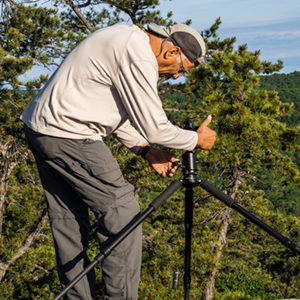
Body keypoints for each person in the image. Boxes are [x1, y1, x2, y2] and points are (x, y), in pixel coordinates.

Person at [21, 23, 216, 300]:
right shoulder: (136, 51)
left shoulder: (124, 39)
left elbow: (111, 111)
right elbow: (157, 127)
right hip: (70, 135)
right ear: (172, 50)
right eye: (181, 70)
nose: (175, 77)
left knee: (68, 220)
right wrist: (197, 140)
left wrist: (146, 151)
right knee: (122, 211)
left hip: (42, 129)